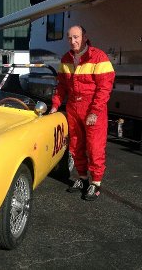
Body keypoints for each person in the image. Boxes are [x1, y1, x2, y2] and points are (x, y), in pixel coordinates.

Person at [50, 25, 115, 201]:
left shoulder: (98, 57)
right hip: (73, 107)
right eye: (70, 38)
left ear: (84, 37)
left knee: (94, 147)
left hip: (93, 109)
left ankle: (96, 183)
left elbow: (104, 88)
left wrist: (95, 111)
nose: (73, 41)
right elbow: (61, 87)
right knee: (76, 146)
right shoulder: (66, 59)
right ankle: (83, 178)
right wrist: (55, 105)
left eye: (76, 37)